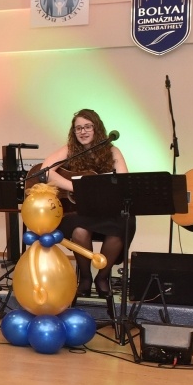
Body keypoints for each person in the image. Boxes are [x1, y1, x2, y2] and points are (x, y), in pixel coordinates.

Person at [41, 109, 133, 298]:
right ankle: (85, 277)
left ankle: (102, 277)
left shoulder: (112, 151)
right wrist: (75, 187)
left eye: (87, 127)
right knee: (80, 232)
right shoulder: (70, 149)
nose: (83, 132)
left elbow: (124, 181)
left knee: (123, 225)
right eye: (78, 128)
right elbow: (45, 171)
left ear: (96, 128)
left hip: (105, 212)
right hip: (78, 213)